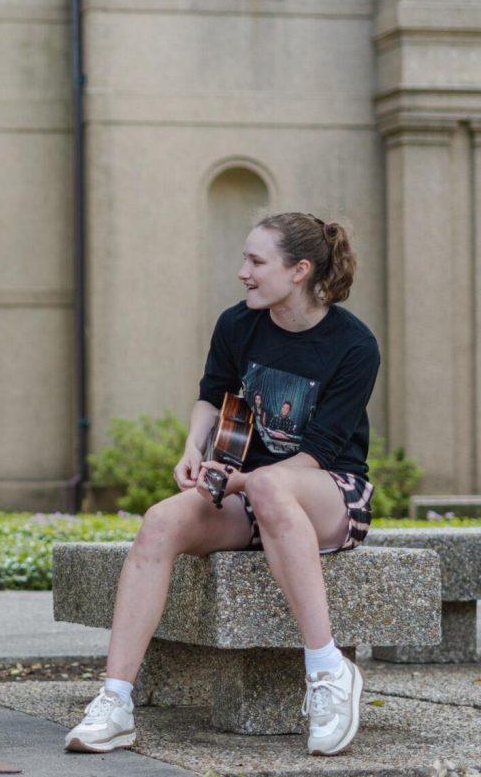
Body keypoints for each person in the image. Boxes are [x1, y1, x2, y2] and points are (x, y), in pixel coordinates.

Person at [65, 212, 378, 757]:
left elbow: (317, 454)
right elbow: (213, 396)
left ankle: (328, 670)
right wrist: (193, 449)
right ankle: (114, 702)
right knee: (161, 521)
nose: (243, 272)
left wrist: (244, 482)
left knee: (271, 488)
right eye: (245, 259)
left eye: (256, 261)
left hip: (328, 492)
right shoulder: (238, 324)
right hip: (246, 492)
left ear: (299, 269)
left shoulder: (353, 345)